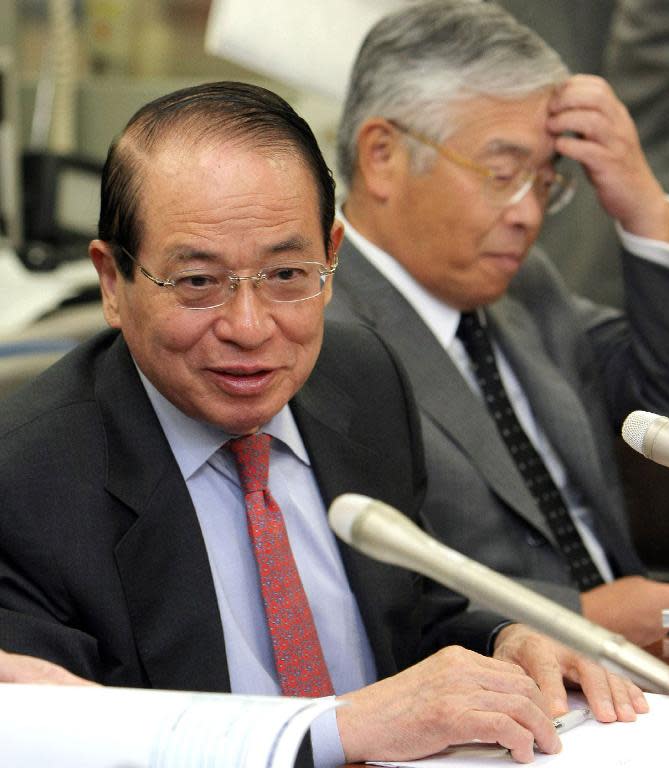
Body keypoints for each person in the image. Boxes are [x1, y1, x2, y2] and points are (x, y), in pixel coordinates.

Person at [0, 81, 646, 766]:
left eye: (286, 273)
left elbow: (410, 611)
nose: (249, 328)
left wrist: (502, 641)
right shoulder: (32, 482)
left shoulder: (358, 378)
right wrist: (338, 728)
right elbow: (57, 740)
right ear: (111, 281)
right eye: (196, 283)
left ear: (331, 255)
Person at [327, 0, 669, 650]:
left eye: (544, 182)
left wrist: (646, 210)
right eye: (503, 175)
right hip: (504, 688)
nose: (528, 214)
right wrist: (581, 619)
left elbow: (659, 398)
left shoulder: (526, 285)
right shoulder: (317, 330)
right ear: (381, 156)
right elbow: (366, 572)